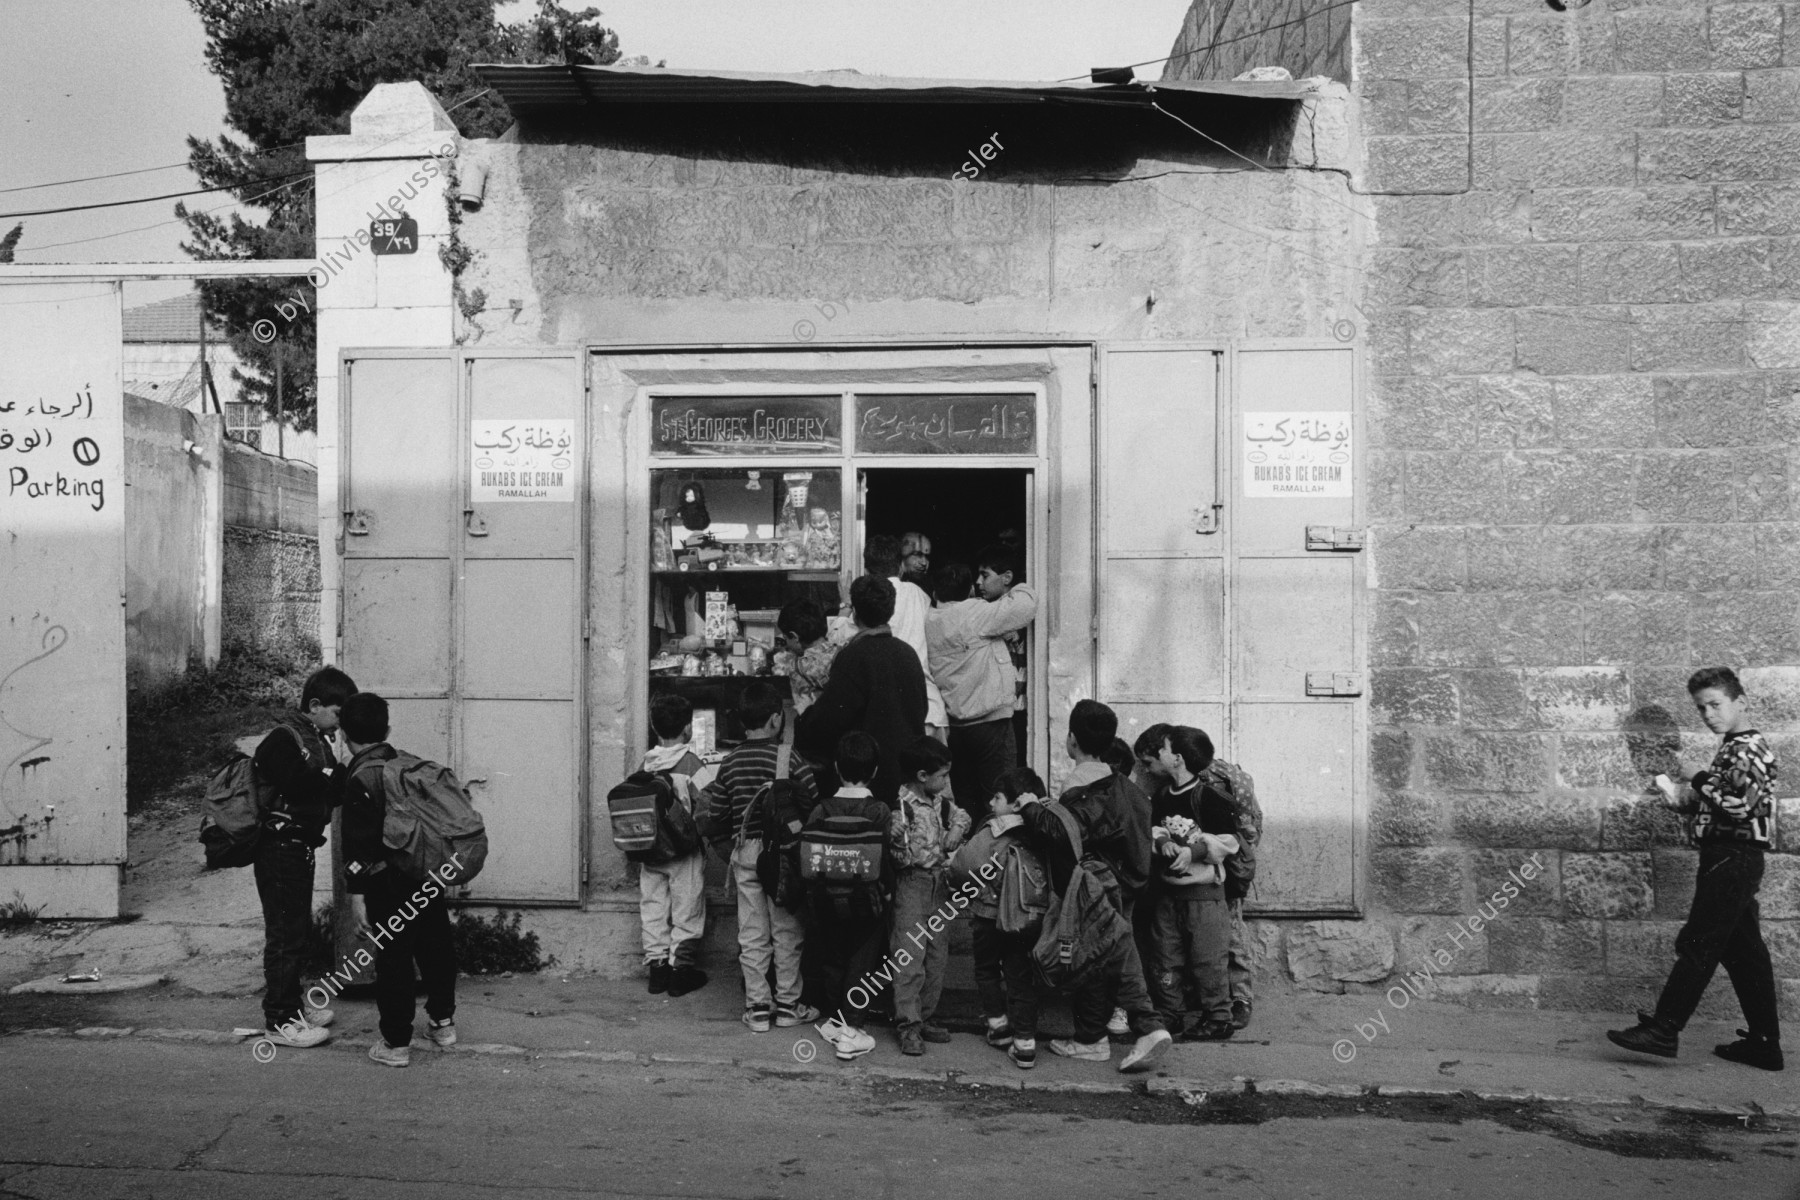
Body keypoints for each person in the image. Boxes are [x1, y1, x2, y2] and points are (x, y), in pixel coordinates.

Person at [1607, 667, 1784, 1071]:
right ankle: (1764, 1044)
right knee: (1745, 953)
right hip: (1730, 855)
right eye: (1701, 708)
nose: (1708, 714)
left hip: (1732, 857)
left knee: (1699, 942)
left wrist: (1698, 776)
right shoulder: (1733, 747)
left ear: (1741, 702)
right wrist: (1684, 799)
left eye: (1715, 704)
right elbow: (1724, 800)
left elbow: (1744, 806)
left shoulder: (1749, 748)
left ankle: (1665, 1029)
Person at [1013, 699, 1170, 1073]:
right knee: (1101, 957)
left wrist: (1031, 807)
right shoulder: (1125, 787)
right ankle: (1090, 1039)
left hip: (1100, 886)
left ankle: (1147, 1026)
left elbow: (1063, 832)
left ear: (1070, 740)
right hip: (1128, 883)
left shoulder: (1088, 786)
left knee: (1110, 954)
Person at [339, 692, 459, 1068]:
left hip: (385, 883)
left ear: (344, 734)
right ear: (387, 729)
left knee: (394, 959)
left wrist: (356, 897)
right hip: (423, 874)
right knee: (435, 946)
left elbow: (357, 846)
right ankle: (442, 1024)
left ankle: (395, 1043)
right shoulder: (406, 765)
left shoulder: (360, 776)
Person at [701, 683, 821, 1032]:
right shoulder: (788, 757)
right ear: (775, 719)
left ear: (741, 723)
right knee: (786, 931)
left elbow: (720, 810)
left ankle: (757, 1009)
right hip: (782, 853)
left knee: (752, 932)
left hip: (746, 852)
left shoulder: (732, 760)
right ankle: (787, 1006)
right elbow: (811, 802)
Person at [251, 664, 356, 1048]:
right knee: (284, 935)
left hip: (298, 847)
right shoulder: (283, 738)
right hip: (279, 847)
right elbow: (298, 785)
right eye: (337, 714)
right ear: (315, 704)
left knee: (295, 931)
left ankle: (292, 1006)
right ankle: (279, 1021)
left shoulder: (314, 738)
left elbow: (329, 790)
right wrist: (331, 777)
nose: (339, 726)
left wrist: (335, 777)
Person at [795, 575, 928, 809]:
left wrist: (805, 716)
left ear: (854, 612)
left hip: (866, 783)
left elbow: (830, 720)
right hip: (905, 779)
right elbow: (919, 710)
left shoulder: (853, 656)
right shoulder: (907, 653)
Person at [925, 557, 1038, 823]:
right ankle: (995, 859)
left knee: (966, 801)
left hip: (957, 727)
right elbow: (1025, 606)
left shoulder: (931, 618)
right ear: (970, 593)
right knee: (1000, 800)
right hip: (990, 725)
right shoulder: (973, 612)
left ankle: (970, 857)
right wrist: (1019, 585)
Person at [950, 765, 1047, 1069]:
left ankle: (998, 1025)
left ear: (1015, 802)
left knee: (987, 969)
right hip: (1025, 917)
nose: (991, 803)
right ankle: (1026, 1042)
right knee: (1021, 976)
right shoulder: (1039, 830)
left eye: (997, 797)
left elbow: (963, 867)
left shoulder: (993, 830)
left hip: (988, 915)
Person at [1145, 726, 1239, 1041]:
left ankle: (1218, 1017)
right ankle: (1170, 1015)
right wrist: (1162, 844)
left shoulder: (1210, 797)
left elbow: (1228, 842)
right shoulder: (1161, 796)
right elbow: (1155, 830)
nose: (1159, 753)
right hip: (1168, 894)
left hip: (1205, 898)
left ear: (1179, 759)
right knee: (1165, 957)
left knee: (1208, 959)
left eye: (1164, 748)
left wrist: (1193, 851)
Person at [810, 732, 893, 1061]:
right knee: (862, 961)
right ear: (874, 771)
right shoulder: (879, 811)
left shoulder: (822, 808)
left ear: (835, 768)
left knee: (833, 957)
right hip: (867, 900)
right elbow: (885, 859)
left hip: (825, 899)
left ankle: (836, 1019)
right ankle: (851, 1032)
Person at [887, 735, 972, 1055]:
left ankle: (925, 1017)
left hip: (942, 885)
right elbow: (894, 847)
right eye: (943, 775)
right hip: (912, 884)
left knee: (937, 955)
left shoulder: (942, 802)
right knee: (910, 955)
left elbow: (964, 817)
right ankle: (908, 1024)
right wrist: (893, 836)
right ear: (922, 777)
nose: (947, 781)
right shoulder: (900, 807)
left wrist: (956, 831)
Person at [636, 693, 714, 998]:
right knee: (687, 908)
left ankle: (657, 970)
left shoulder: (646, 762)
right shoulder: (691, 762)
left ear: (655, 730)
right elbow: (709, 800)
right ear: (688, 729)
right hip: (684, 851)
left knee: (653, 906)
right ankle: (681, 971)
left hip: (651, 849)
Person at [865, 534, 947, 738]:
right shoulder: (918, 595)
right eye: (917, 555)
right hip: (931, 710)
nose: (923, 562)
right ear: (900, 564)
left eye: (926, 556)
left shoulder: (867, 601)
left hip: (896, 713)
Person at [777, 597, 839, 715]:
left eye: (785, 639)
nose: (787, 646)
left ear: (794, 637)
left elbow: (804, 713)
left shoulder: (798, 668)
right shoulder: (842, 651)